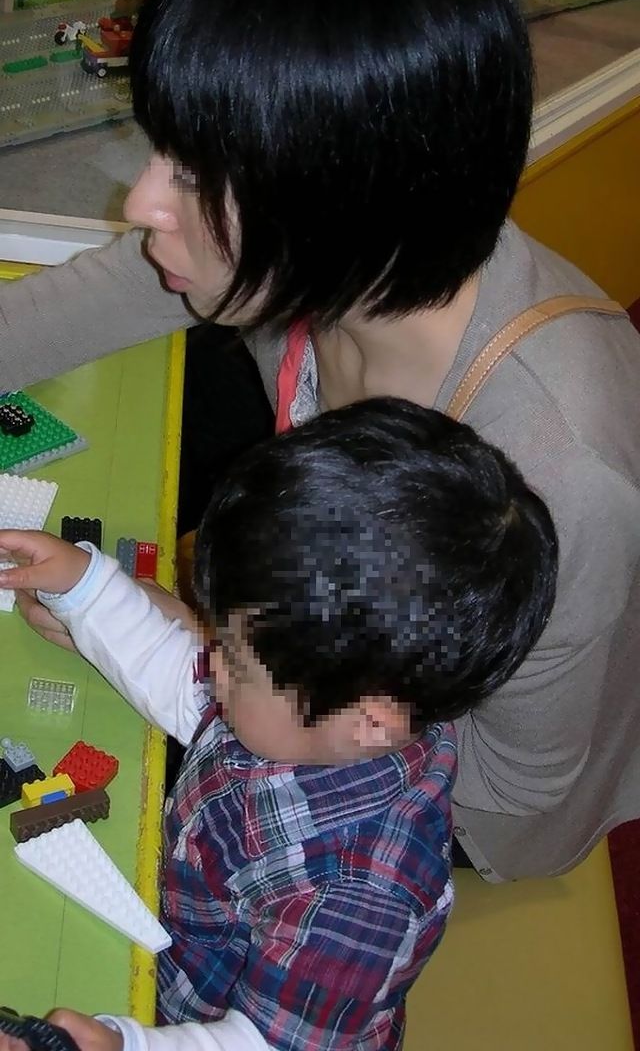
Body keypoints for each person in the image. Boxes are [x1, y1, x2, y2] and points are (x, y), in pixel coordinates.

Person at [1, 0, 639, 883]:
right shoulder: (338, 250)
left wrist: (223, 653)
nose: (140, 203)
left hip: (424, 786)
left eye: (196, 173)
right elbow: (94, 297)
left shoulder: (559, 472)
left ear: (334, 196)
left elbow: (516, 787)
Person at [0, 399, 557, 1051]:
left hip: (202, 1017)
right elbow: (187, 688)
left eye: (235, 660)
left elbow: (268, 1043)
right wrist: (89, 587)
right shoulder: (325, 707)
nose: (210, 661)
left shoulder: (362, 894)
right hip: (181, 927)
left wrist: (126, 1044)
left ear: (369, 719)